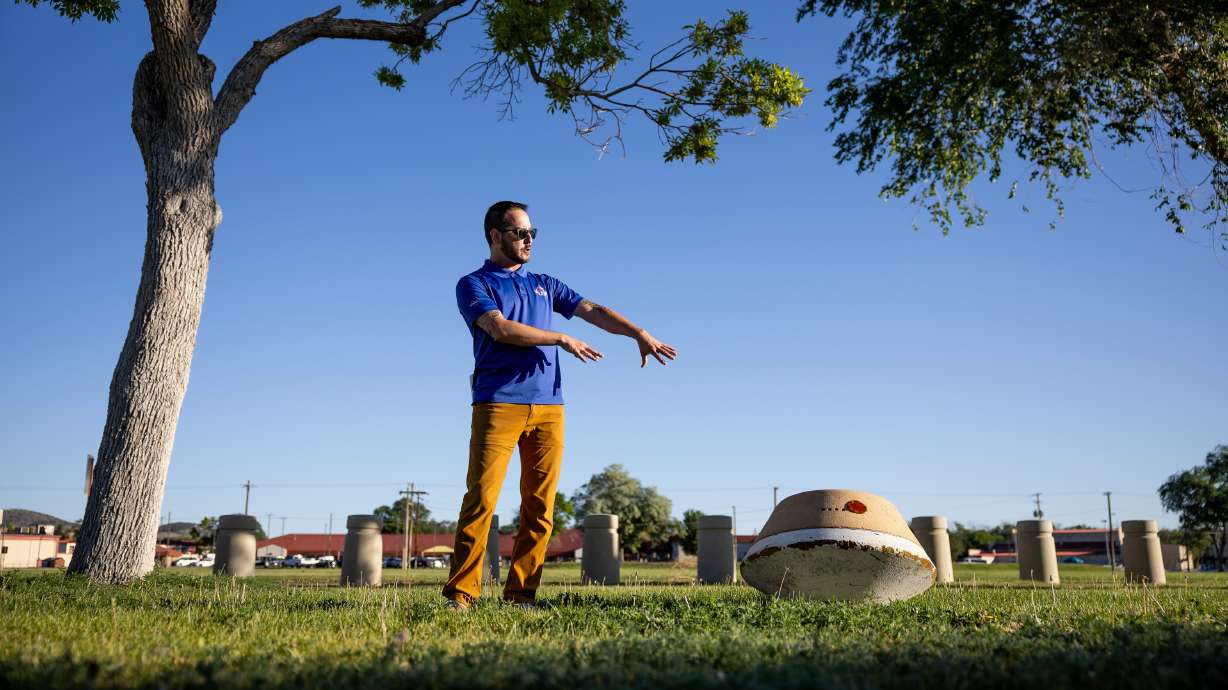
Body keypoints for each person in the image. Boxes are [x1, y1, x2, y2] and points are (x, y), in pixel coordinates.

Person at [442, 200, 677, 611]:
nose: (529, 239)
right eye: (519, 233)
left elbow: (592, 310)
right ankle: (462, 595)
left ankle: (521, 595)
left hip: (550, 408)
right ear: (496, 236)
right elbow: (499, 329)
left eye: (533, 232)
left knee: (541, 508)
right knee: (481, 500)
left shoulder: (545, 283)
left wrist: (637, 332)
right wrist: (560, 339)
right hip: (497, 404)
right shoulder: (474, 283)